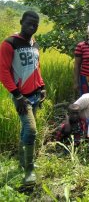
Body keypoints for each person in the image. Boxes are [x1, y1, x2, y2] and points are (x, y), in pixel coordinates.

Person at [0, 10, 46, 185]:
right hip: (22, 97)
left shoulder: (35, 44)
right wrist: (17, 95)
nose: (32, 26)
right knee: (32, 130)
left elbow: (37, 67)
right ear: (21, 21)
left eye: (35, 24)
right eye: (29, 23)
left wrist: (41, 87)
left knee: (25, 130)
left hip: (35, 94)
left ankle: (21, 163)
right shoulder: (10, 43)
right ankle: (29, 170)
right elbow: (3, 72)